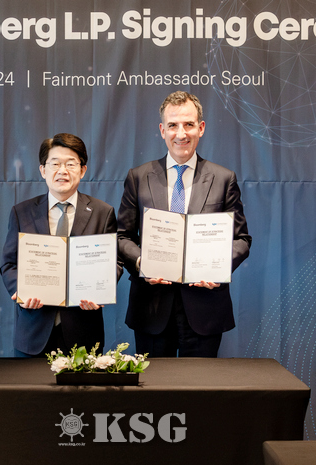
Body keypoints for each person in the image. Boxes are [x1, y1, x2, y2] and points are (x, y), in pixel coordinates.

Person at [117, 91, 251, 357]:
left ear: (201, 128)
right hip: (152, 307)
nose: (181, 134)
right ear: (162, 130)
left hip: (205, 307)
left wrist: (218, 268)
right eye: (173, 125)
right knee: (154, 384)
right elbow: (122, 236)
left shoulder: (223, 179)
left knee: (200, 384)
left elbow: (241, 240)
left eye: (189, 124)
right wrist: (142, 262)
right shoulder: (138, 177)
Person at [0, 133, 120, 357]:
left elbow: (114, 263)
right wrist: (21, 290)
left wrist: (101, 290)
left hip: (84, 332)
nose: (62, 171)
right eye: (54, 164)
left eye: (71, 164)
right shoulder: (22, 212)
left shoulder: (102, 213)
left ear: (82, 170)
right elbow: (8, 264)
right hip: (33, 331)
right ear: (43, 170)